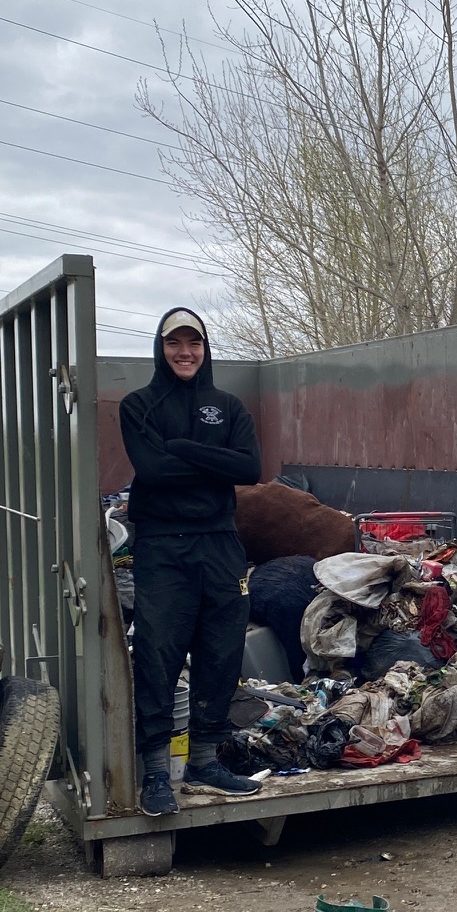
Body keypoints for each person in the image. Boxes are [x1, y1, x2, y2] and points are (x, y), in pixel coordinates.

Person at [121, 307, 263, 817]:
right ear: (160, 349)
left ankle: (205, 760)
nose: (185, 352)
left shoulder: (227, 405)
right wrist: (210, 460)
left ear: (205, 349)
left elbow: (249, 468)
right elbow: (152, 471)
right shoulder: (139, 404)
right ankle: (156, 772)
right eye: (174, 343)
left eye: (194, 343)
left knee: (222, 651)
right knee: (158, 653)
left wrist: (181, 447)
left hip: (221, 541)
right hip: (163, 544)